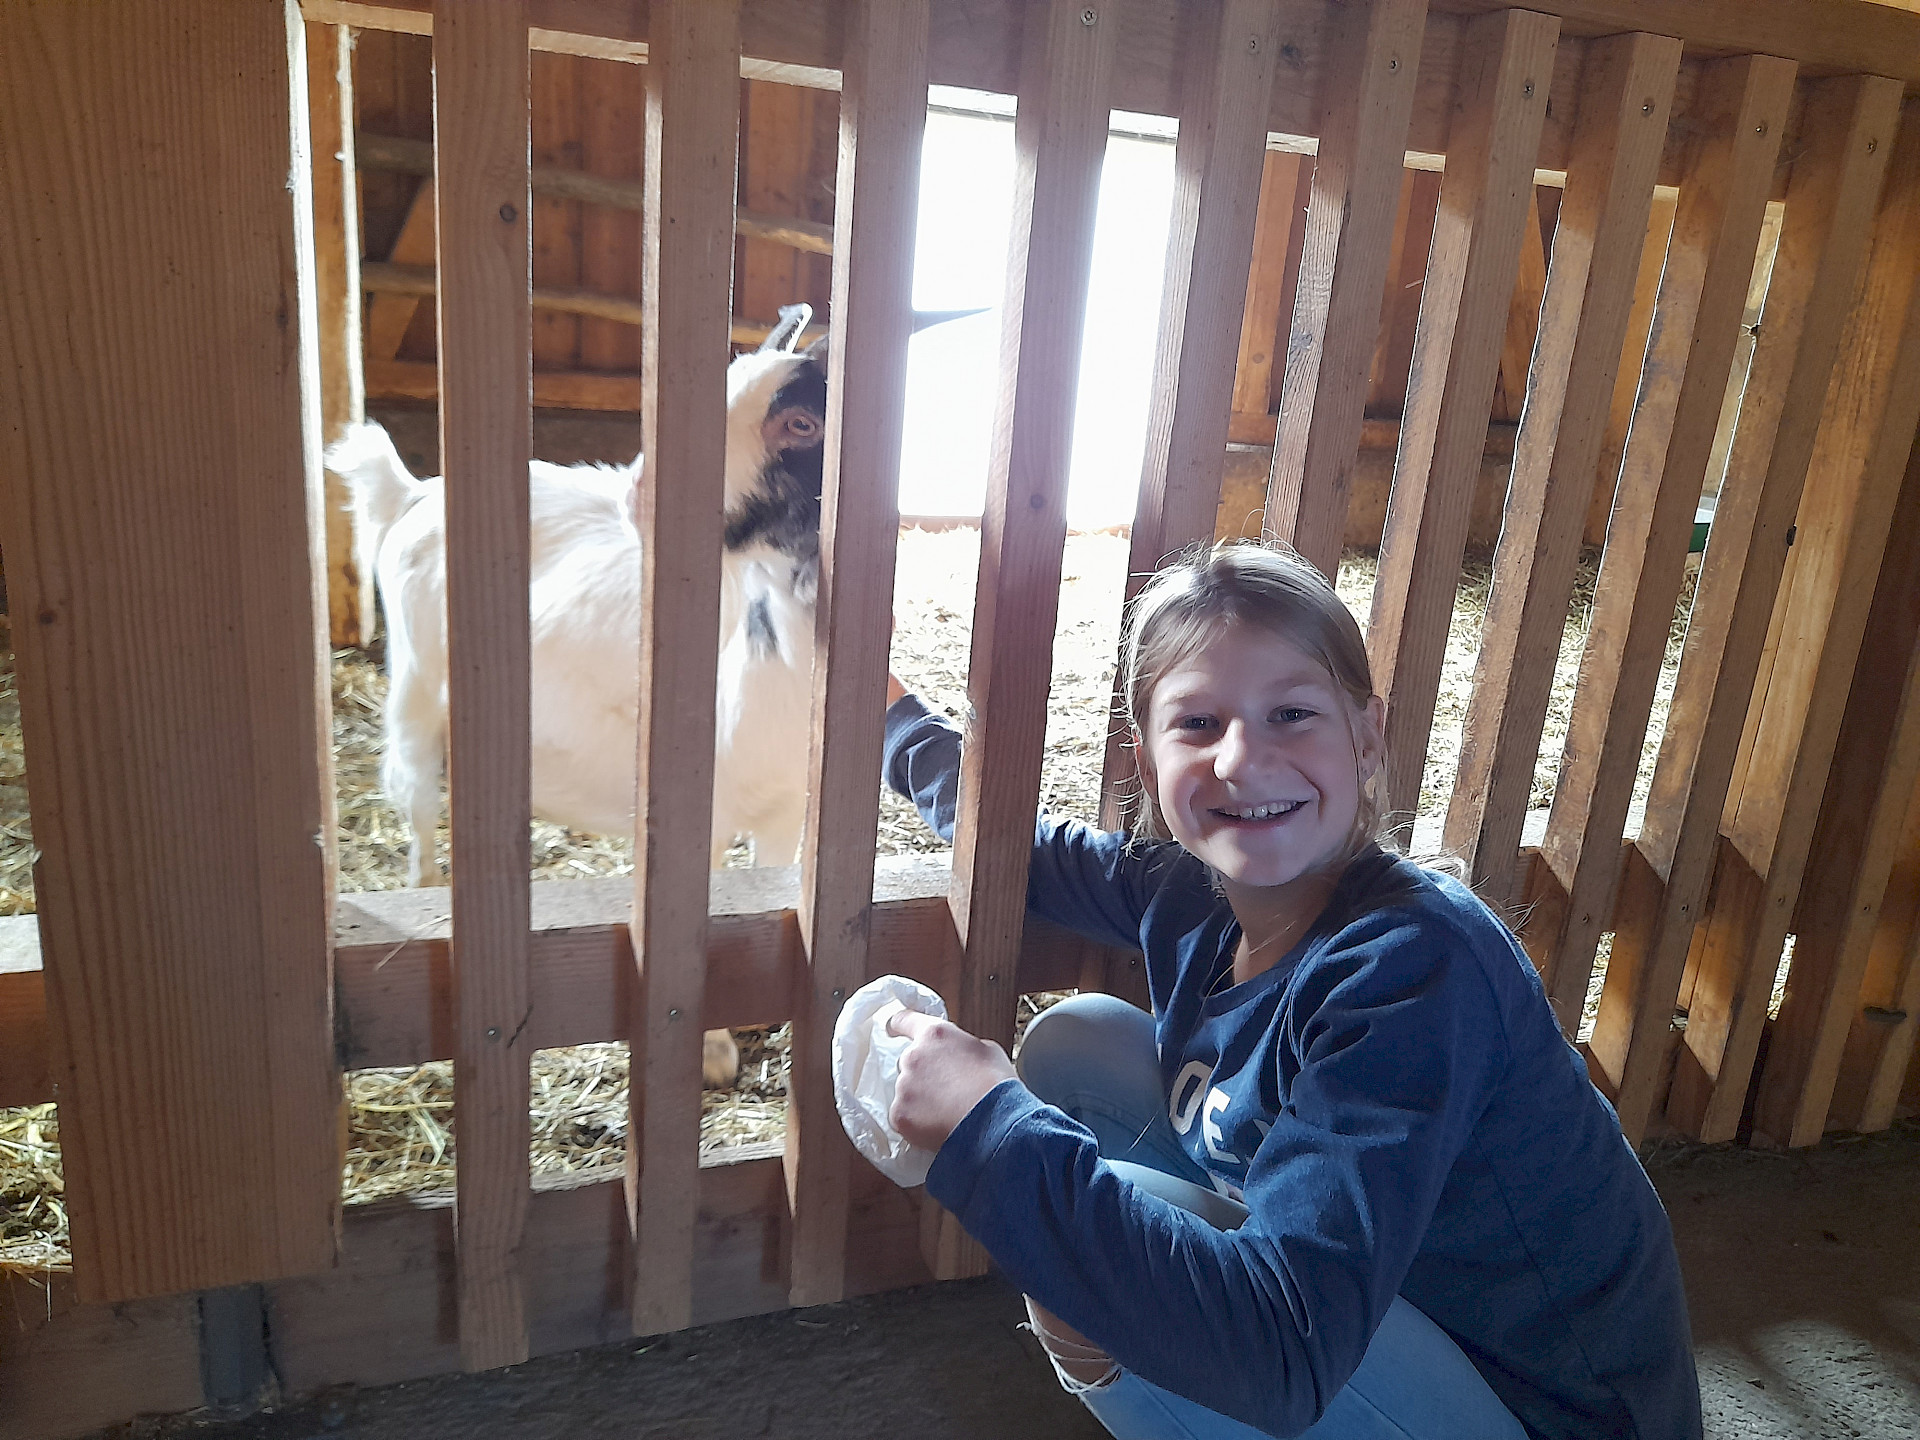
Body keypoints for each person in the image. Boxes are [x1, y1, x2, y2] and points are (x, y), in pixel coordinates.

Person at [878, 540, 1700, 1440]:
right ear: (1150, 768)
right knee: (1074, 1047)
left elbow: (1283, 1351)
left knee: (1103, 1232)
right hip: (1382, 1308)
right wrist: (891, 721)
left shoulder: (1412, 968)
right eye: (1198, 723)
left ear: (1366, 738)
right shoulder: (1188, 890)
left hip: (1537, 1408)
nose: (1240, 758)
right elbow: (1018, 847)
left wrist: (992, 1134)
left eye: (1292, 713)